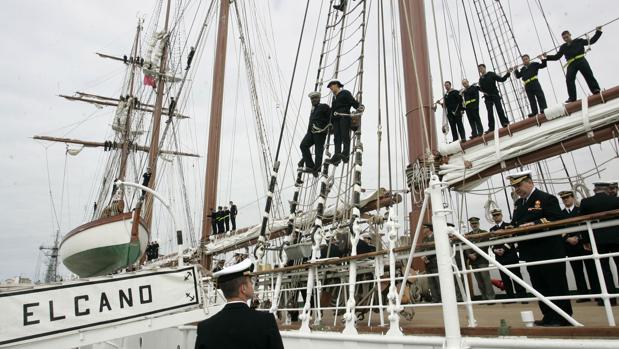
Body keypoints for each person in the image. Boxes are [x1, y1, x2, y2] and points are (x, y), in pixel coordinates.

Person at [508, 170, 572, 326]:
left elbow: (557, 218)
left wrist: (534, 224)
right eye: (515, 187)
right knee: (539, 286)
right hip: (530, 251)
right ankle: (548, 316)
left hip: (548, 249)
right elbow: (517, 223)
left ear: (530, 182)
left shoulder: (546, 198)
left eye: (519, 185)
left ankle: (563, 318)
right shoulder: (518, 203)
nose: (517, 190)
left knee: (555, 284)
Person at [195, 259, 284, 349]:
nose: (252, 283)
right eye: (250, 281)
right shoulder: (266, 321)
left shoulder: (205, 328)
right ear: (243, 288)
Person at [578, 181, 619, 306]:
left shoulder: (586, 202)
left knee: (603, 269)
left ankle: (609, 300)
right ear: (607, 190)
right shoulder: (616, 201)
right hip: (617, 237)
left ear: (595, 190)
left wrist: (585, 240)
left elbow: (583, 222)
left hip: (597, 239)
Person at [559, 190, 600, 303]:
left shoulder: (581, 210)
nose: (566, 200)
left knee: (591, 270)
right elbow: (559, 229)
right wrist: (567, 238)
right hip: (569, 245)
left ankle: (597, 293)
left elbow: (587, 225)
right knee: (577, 271)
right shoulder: (560, 214)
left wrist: (578, 237)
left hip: (583, 244)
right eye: (563, 198)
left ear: (573, 198)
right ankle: (583, 294)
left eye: (567, 197)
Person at [544, 27, 603, 102]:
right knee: (569, 79)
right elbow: (557, 57)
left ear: (570, 35)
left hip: (581, 60)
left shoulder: (578, 41)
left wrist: (598, 32)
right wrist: (546, 57)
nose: (566, 39)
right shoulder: (563, 47)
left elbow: (591, 41)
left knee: (588, 75)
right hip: (571, 63)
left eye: (567, 37)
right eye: (564, 38)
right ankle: (572, 98)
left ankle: (595, 89)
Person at [489, 208, 527, 302]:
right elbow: (491, 243)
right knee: (505, 278)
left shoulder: (508, 226)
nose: (496, 217)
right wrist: (495, 250)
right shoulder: (492, 229)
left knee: (516, 277)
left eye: (498, 215)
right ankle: (510, 297)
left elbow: (512, 239)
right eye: (494, 215)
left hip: (510, 255)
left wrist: (504, 249)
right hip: (499, 257)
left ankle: (522, 296)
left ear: (501, 216)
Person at [326, 80, 364, 166]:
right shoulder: (334, 98)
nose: (331, 88)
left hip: (344, 117)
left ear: (336, 85)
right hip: (336, 120)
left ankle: (345, 155)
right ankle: (336, 156)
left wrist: (360, 106)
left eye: (331, 86)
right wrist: (330, 121)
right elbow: (333, 110)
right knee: (337, 139)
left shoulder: (345, 93)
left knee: (344, 135)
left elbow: (352, 101)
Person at [299, 92, 331, 176]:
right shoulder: (313, 110)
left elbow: (331, 117)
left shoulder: (324, 106)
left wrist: (328, 127)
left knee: (318, 151)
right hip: (310, 133)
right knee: (303, 145)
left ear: (319, 98)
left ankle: (316, 168)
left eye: (315, 98)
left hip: (320, 133)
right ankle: (310, 166)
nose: (313, 100)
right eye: (312, 99)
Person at [465, 217, 495, 302]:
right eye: (472, 224)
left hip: (482, 260)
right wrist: (469, 255)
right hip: (472, 260)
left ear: (478, 224)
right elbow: (465, 247)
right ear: (470, 225)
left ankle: (491, 298)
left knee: (486, 279)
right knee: (479, 280)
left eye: (475, 223)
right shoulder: (467, 235)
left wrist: (475, 254)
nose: (474, 225)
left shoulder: (484, 233)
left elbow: (485, 245)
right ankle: (484, 298)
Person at [477, 64, 511, 132]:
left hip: (494, 94)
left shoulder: (491, 74)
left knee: (499, 109)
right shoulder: (480, 79)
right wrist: (479, 88)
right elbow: (482, 89)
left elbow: (501, 79)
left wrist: (507, 74)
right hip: (487, 97)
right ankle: (491, 128)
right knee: (489, 112)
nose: (481, 70)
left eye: (481, 68)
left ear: (485, 68)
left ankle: (505, 122)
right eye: (479, 69)